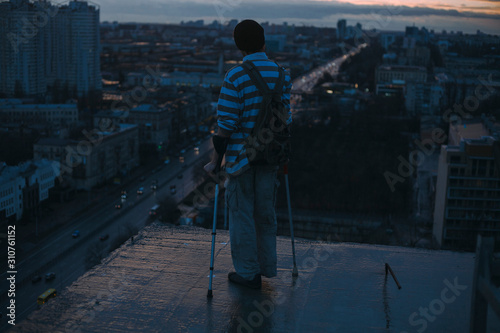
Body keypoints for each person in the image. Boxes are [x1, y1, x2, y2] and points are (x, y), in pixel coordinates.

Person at [204, 19, 292, 289]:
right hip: (270, 156)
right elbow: (284, 118)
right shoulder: (281, 74)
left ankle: (247, 272)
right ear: (264, 42)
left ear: (238, 45)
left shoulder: (236, 76)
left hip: (241, 159)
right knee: (265, 213)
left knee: (241, 213)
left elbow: (226, 126)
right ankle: (268, 267)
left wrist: (214, 163)